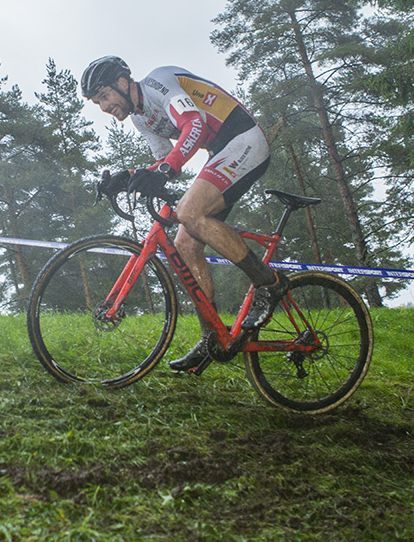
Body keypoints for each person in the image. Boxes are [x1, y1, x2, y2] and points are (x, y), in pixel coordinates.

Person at [79, 55, 289, 373]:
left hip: (243, 138)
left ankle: (268, 282)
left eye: (105, 96)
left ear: (122, 82)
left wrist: (164, 170)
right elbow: (166, 159)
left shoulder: (157, 83)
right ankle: (212, 336)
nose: (105, 107)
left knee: (189, 212)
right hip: (222, 150)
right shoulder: (141, 119)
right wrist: (128, 176)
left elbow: (194, 124)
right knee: (185, 244)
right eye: (98, 102)